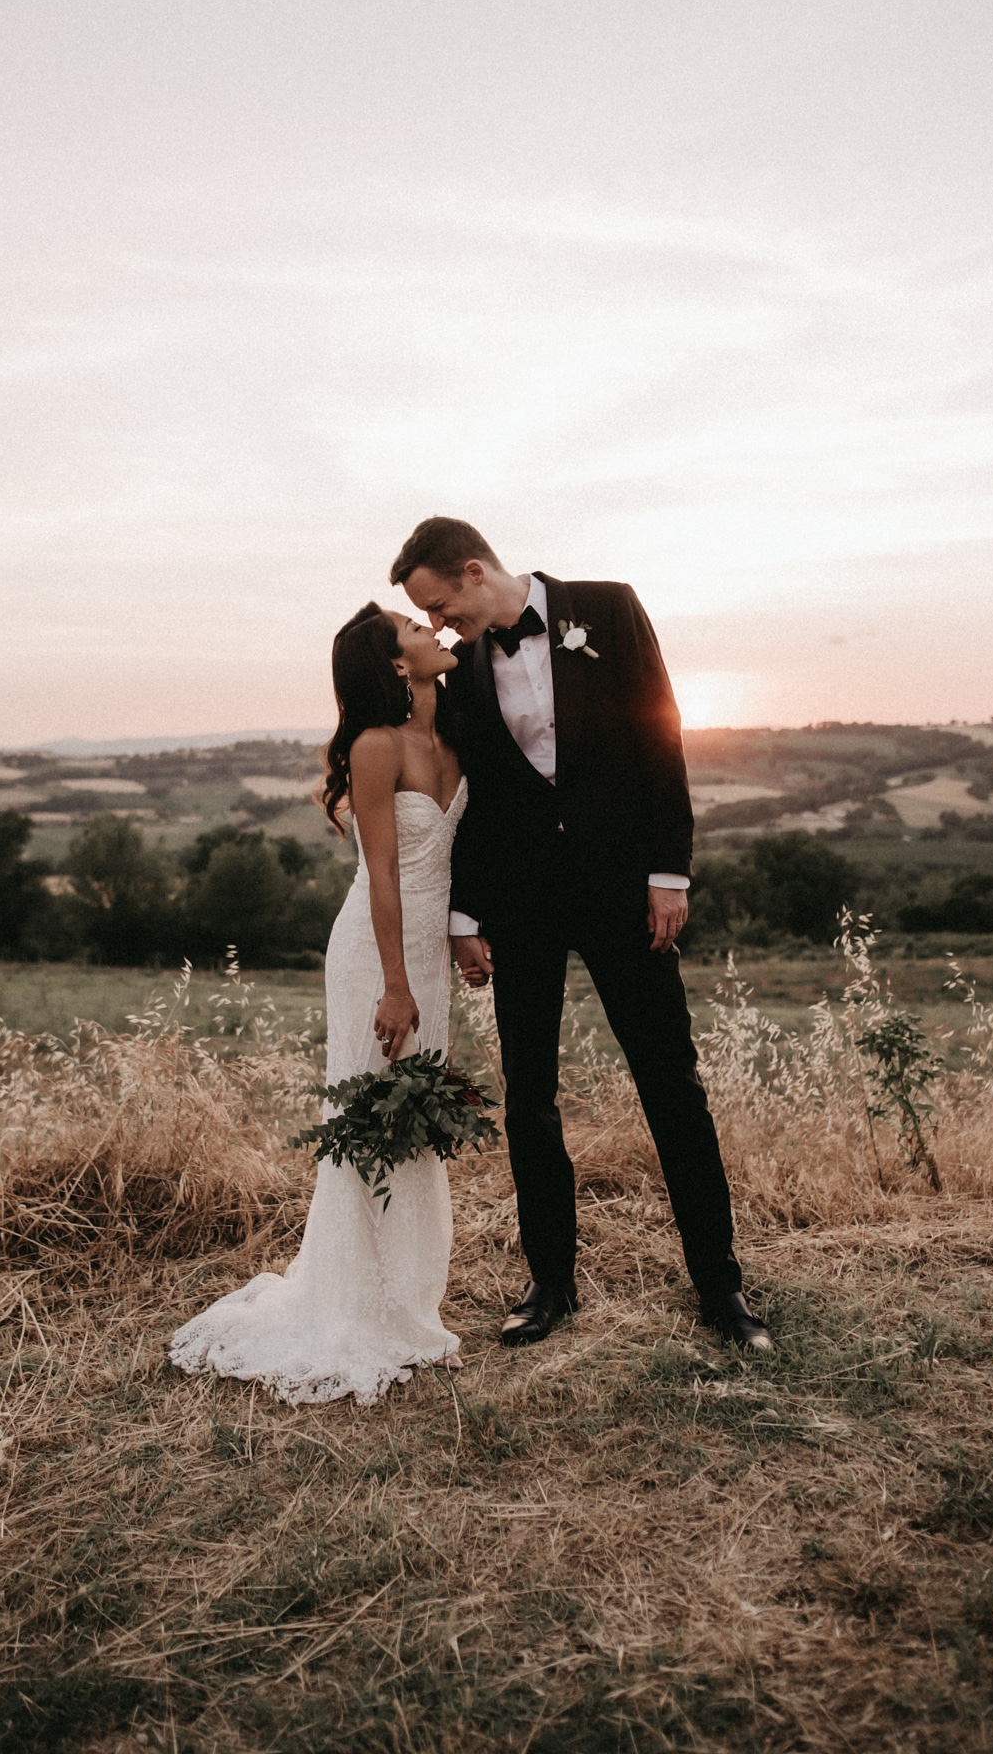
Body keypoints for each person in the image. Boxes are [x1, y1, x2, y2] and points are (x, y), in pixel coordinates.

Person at [392, 516, 772, 1355]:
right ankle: (550, 1284)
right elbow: (476, 803)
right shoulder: (460, 673)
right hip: (521, 908)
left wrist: (668, 871)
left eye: (440, 605)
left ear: (472, 569)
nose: (439, 625)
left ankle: (720, 1287)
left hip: (623, 894)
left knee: (670, 1086)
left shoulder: (608, 607)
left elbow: (659, 729)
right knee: (529, 1098)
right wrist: (465, 916)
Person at [170, 603, 467, 1404]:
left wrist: (467, 937)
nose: (432, 632)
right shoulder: (375, 747)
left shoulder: (454, 734)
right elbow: (381, 876)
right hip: (377, 954)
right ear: (395, 665)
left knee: (416, 1119)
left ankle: (408, 1301)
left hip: (433, 951)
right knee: (371, 1114)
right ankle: (354, 1307)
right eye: (414, 629)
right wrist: (396, 985)